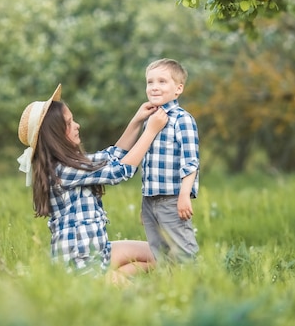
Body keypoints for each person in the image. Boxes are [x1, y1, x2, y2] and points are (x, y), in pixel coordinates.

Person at [16, 84, 168, 280]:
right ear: (55, 135)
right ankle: (109, 282)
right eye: (69, 123)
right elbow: (120, 171)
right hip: (80, 263)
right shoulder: (62, 170)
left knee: (161, 252)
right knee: (150, 263)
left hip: (99, 251)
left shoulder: (71, 164)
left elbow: (112, 156)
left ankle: (113, 279)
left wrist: (137, 120)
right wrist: (151, 132)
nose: (77, 125)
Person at [140, 58, 200, 263]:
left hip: (172, 198)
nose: (154, 87)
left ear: (178, 88)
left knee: (183, 249)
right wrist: (145, 203)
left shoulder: (182, 119)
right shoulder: (149, 119)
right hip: (150, 199)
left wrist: (184, 195)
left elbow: (191, 161)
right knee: (159, 251)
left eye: (162, 82)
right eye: (150, 82)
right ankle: (168, 287)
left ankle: (194, 284)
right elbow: (147, 164)